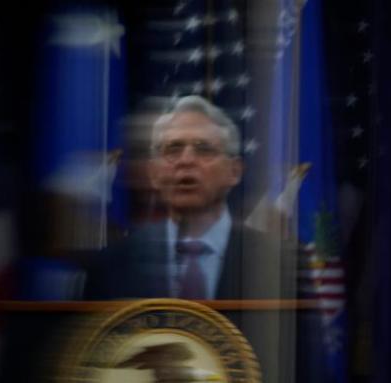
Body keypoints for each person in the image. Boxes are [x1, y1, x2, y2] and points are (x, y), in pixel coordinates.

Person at [84, 95, 292, 300]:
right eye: (173, 149)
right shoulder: (111, 264)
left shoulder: (281, 263)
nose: (187, 160)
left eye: (204, 149)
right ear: (154, 172)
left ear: (234, 171)